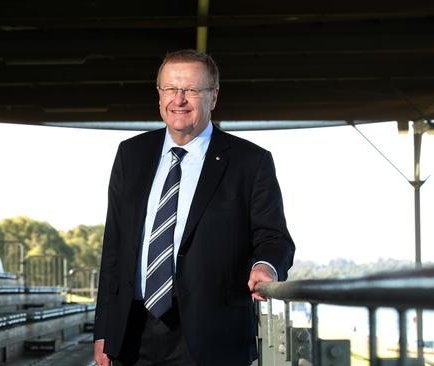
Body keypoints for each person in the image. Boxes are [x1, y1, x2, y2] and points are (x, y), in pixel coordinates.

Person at [94, 49, 295, 366]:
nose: (179, 99)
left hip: (212, 334)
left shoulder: (249, 162)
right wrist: (103, 331)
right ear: (159, 95)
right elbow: (114, 248)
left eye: (191, 90)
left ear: (213, 96)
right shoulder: (130, 155)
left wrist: (266, 266)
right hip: (132, 331)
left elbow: (275, 237)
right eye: (171, 89)